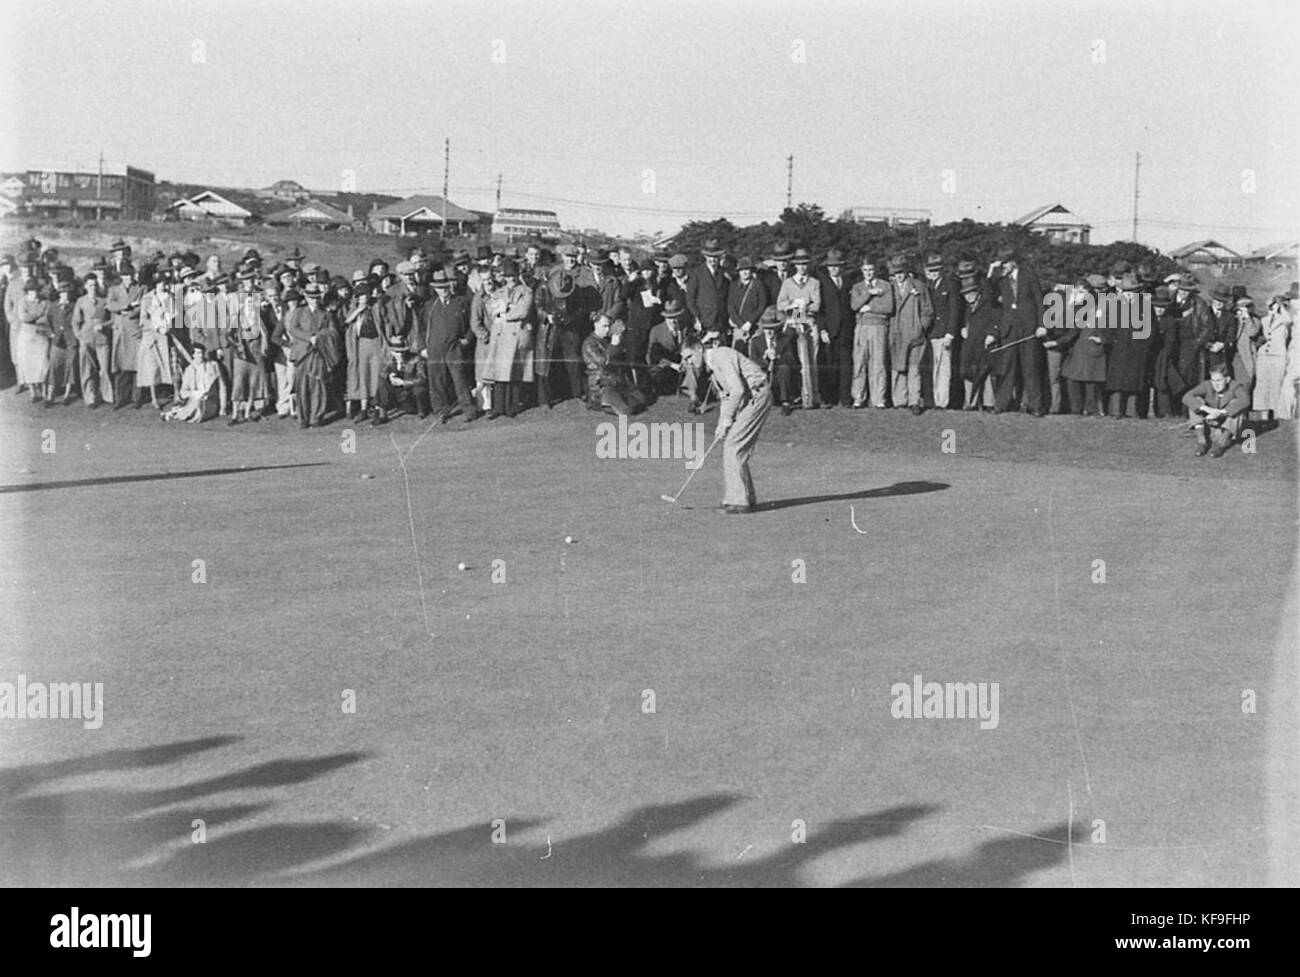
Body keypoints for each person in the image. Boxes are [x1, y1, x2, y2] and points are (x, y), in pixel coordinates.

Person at [702, 320, 774, 514]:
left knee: (734, 446)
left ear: (697, 350)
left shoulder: (720, 355)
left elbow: (737, 390)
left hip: (757, 395)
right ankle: (744, 498)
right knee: (734, 445)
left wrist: (727, 419)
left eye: (687, 357)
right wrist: (721, 423)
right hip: (752, 397)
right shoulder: (713, 367)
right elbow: (727, 396)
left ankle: (739, 501)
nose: (687, 363)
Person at [989, 248, 1045, 415]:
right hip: (1009, 329)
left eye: (1005, 263)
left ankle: (1035, 406)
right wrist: (992, 271)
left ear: (1013, 262)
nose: (1003, 266)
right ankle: (1001, 404)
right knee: (1007, 368)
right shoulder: (1000, 279)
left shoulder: (1029, 276)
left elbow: (1039, 301)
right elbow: (989, 297)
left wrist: (1042, 325)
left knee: (1030, 368)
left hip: (1028, 328)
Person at [418, 270, 479, 422]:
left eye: (445, 286)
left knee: (460, 380)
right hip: (434, 349)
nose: (443, 290)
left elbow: (472, 324)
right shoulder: (429, 306)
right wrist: (422, 348)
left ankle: (469, 410)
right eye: (439, 288)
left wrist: (467, 339)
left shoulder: (461, 302)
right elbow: (421, 329)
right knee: (437, 382)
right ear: (434, 289)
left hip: (454, 348)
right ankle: (440, 412)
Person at [481, 260, 534, 419]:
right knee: (499, 373)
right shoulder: (499, 292)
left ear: (518, 275)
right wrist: (504, 311)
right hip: (501, 336)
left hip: (515, 336)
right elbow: (491, 309)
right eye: (508, 276)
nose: (511, 279)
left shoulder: (526, 292)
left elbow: (523, 311)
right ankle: (498, 407)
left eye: (513, 276)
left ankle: (512, 406)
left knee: (514, 372)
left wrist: (504, 314)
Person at [287, 283, 341, 428]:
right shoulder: (299, 312)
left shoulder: (327, 314)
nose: (314, 300)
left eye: (316, 297)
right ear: (306, 297)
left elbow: (333, 333)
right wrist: (309, 337)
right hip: (302, 354)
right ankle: (303, 418)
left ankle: (316, 417)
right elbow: (293, 329)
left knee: (318, 385)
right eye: (311, 297)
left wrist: (319, 337)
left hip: (319, 354)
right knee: (302, 387)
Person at [777, 248, 823, 409]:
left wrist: (804, 305)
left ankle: (813, 396)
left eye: (805, 264)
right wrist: (793, 304)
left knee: (812, 361)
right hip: (793, 325)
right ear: (795, 265)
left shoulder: (814, 283)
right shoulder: (788, 283)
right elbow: (780, 303)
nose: (802, 267)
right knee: (797, 361)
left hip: (809, 324)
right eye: (799, 264)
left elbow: (817, 305)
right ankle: (800, 395)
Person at [886, 254, 933, 415]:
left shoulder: (918, 286)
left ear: (907, 271)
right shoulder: (889, 287)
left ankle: (914, 401)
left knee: (914, 368)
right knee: (898, 367)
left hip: (914, 333)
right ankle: (900, 400)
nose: (899, 275)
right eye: (895, 272)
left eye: (901, 271)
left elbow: (927, 309)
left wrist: (920, 326)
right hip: (896, 332)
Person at [1059, 277, 1109, 416]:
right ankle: (1076, 408)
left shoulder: (1101, 305)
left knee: (1090, 381)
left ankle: (1090, 409)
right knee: (1073, 378)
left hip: (1090, 345)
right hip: (1078, 347)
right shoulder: (1077, 306)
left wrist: (1103, 339)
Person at [582, 315, 647, 416]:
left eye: (608, 326)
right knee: (626, 411)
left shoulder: (606, 340)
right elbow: (603, 362)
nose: (607, 329)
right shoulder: (589, 344)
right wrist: (613, 346)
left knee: (641, 399)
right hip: (601, 383)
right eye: (604, 326)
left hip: (615, 379)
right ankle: (598, 401)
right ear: (595, 325)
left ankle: (609, 402)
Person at [849, 258, 893, 409]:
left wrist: (869, 308)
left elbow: (888, 307)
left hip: (879, 326)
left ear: (876, 271)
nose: (869, 273)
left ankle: (879, 398)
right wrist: (869, 293)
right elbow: (855, 305)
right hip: (862, 327)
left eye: (871, 270)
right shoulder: (858, 287)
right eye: (866, 270)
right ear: (862, 271)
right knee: (860, 362)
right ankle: (858, 397)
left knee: (878, 362)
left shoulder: (885, 285)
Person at [1183, 364, 1250, 458]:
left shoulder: (1235, 386)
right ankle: (1201, 442)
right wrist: (1206, 409)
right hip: (1209, 424)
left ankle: (1222, 444)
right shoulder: (1206, 385)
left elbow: (1245, 400)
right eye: (1213, 380)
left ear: (1227, 379)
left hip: (1226, 427)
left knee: (1236, 405)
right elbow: (1187, 396)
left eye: (1219, 380)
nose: (1216, 384)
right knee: (1196, 401)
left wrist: (1221, 412)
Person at [647, 299, 703, 408]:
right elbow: (653, 355)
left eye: (675, 317)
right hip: (663, 365)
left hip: (680, 363)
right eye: (670, 318)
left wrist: (684, 360)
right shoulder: (656, 330)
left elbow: (688, 347)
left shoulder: (684, 328)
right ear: (665, 317)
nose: (673, 321)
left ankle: (692, 395)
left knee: (691, 365)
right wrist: (673, 365)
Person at [818, 249, 855, 407]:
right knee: (829, 366)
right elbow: (820, 309)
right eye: (831, 266)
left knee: (846, 366)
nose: (834, 269)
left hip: (846, 330)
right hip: (830, 331)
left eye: (837, 266)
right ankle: (830, 398)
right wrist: (822, 329)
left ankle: (845, 398)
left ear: (842, 267)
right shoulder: (821, 284)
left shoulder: (848, 282)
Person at [923, 254, 960, 410]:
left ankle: (942, 401)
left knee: (943, 369)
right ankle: (932, 399)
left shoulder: (949, 284)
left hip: (943, 332)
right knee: (932, 368)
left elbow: (954, 310)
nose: (933, 273)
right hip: (930, 333)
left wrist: (950, 333)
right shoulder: (928, 286)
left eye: (936, 270)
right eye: (931, 271)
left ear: (941, 270)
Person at [959, 278, 1001, 410]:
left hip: (984, 342)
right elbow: (966, 322)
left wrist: (992, 334)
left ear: (977, 292)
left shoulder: (987, 303)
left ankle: (989, 403)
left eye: (970, 293)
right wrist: (964, 328)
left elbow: (996, 320)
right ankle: (971, 401)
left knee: (986, 371)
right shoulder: (968, 306)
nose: (967, 296)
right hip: (970, 343)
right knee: (968, 372)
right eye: (965, 294)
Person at [72, 273, 113, 408]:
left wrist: (104, 325)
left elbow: (113, 319)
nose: (93, 288)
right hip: (87, 338)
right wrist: (80, 337)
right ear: (85, 286)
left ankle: (107, 396)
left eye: (95, 285)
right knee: (87, 369)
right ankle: (91, 398)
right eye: (90, 285)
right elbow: (75, 322)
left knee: (105, 369)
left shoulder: (104, 301)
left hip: (102, 338)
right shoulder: (81, 301)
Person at [107, 263, 145, 408]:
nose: (127, 278)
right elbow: (110, 305)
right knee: (120, 367)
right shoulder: (114, 289)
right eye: (124, 276)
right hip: (120, 331)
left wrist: (129, 312)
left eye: (129, 275)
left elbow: (141, 306)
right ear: (121, 277)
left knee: (136, 366)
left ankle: (137, 398)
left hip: (134, 329)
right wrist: (126, 306)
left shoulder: (141, 288)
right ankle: (120, 399)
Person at [137, 274, 175, 410]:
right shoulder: (147, 298)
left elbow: (175, 315)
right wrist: (157, 326)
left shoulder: (170, 297)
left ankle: (176, 395)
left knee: (173, 365)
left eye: (164, 282)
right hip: (152, 338)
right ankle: (154, 398)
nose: (162, 285)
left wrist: (169, 326)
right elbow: (143, 320)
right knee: (152, 369)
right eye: (159, 282)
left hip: (167, 337)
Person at [373, 336, 430, 425]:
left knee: (419, 389)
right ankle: (382, 415)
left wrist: (403, 382)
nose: (400, 354)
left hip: (411, 394)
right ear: (392, 352)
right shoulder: (389, 360)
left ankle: (421, 411)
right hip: (397, 394)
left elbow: (422, 379)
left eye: (402, 351)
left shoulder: (416, 359)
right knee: (382, 382)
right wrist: (390, 376)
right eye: (397, 352)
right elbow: (382, 374)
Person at [161, 342, 223, 423]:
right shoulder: (189, 370)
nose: (200, 355)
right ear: (193, 355)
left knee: (198, 405)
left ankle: (174, 414)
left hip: (210, 400)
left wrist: (223, 408)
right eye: (198, 353)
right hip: (195, 399)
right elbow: (183, 392)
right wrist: (193, 393)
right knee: (196, 402)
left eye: (201, 353)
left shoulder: (213, 365)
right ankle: (178, 413)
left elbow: (222, 386)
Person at [1252, 294, 1292, 416]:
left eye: (1275, 307)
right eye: (1271, 307)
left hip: (1278, 356)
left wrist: (1282, 308)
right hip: (1264, 355)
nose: (1273, 309)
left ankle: (1276, 415)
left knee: (1276, 385)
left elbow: (1288, 320)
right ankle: (1263, 416)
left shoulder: (1285, 320)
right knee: (1262, 385)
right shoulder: (1264, 320)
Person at [16, 279, 51, 402]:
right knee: (28, 363)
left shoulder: (44, 302)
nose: (34, 293)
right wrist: (38, 315)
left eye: (36, 290)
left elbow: (46, 318)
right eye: (31, 291)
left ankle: (43, 388)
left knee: (42, 362)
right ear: (27, 291)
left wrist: (35, 317)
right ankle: (32, 391)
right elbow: (23, 317)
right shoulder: (22, 302)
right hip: (27, 337)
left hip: (41, 335)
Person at [45, 280, 79, 404]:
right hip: (57, 341)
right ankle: (50, 396)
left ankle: (67, 395)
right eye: (62, 293)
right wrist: (51, 334)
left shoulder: (74, 306)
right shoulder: (53, 306)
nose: (65, 295)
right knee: (53, 367)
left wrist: (77, 334)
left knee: (70, 367)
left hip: (71, 340)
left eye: (67, 293)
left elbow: (79, 320)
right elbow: (47, 323)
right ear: (59, 294)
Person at [727, 256, 768, 354]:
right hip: (738, 327)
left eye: (747, 269)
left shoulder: (758, 285)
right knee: (737, 354)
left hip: (755, 326)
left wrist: (750, 322)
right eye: (742, 270)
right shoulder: (733, 286)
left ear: (751, 271)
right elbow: (730, 306)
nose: (744, 272)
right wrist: (740, 324)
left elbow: (762, 305)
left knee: (754, 355)